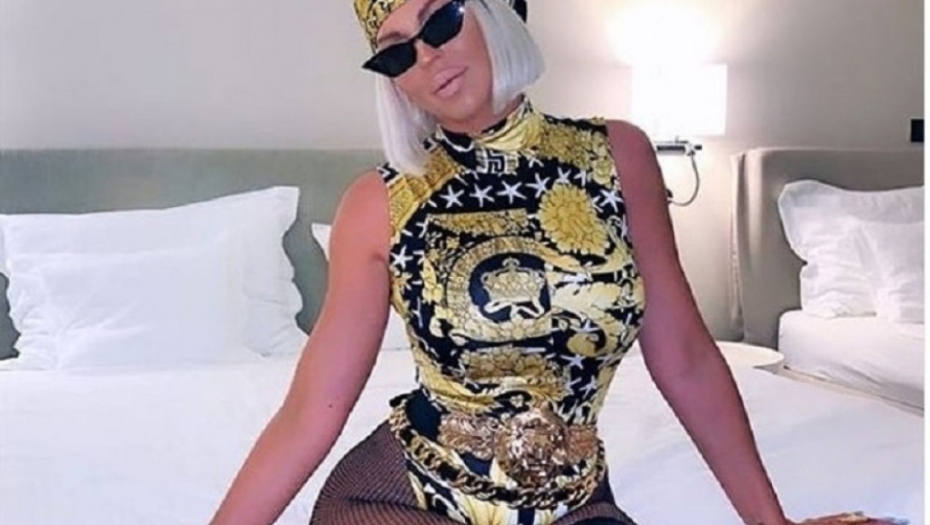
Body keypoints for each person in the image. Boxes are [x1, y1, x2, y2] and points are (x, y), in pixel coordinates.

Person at [209, 1, 899, 524]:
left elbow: (686, 357)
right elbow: (311, 411)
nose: (427, 56)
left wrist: (770, 523)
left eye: (442, 20)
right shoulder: (378, 203)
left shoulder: (618, 157)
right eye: (396, 54)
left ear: (494, 13)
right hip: (403, 494)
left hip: (571, 501)